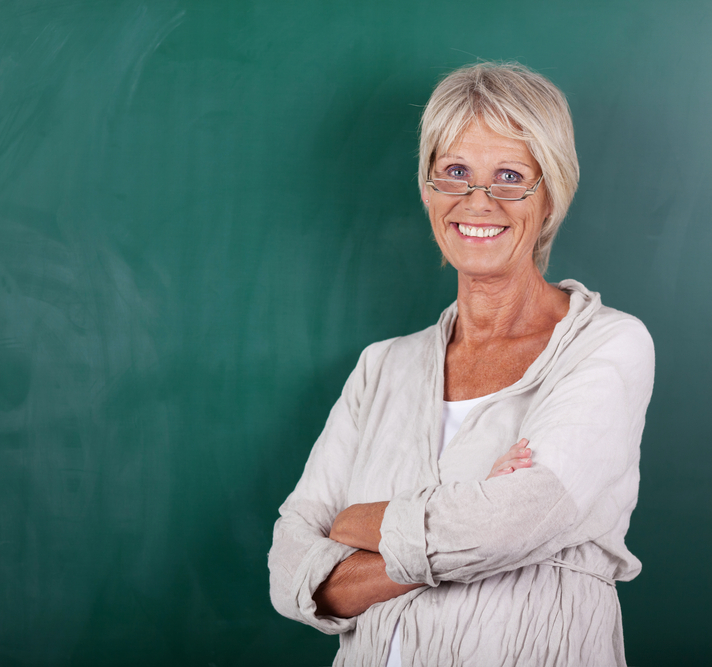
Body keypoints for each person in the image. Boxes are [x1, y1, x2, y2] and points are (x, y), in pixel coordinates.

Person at [267, 62, 654, 667]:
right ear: (427, 189)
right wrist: (464, 522)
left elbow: (518, 522)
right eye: (454, 173)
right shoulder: (382, 368)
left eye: (509, 176)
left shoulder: (608, 345)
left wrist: (357, 524)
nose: (478, 201)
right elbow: (291, 574)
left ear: (550, 192)